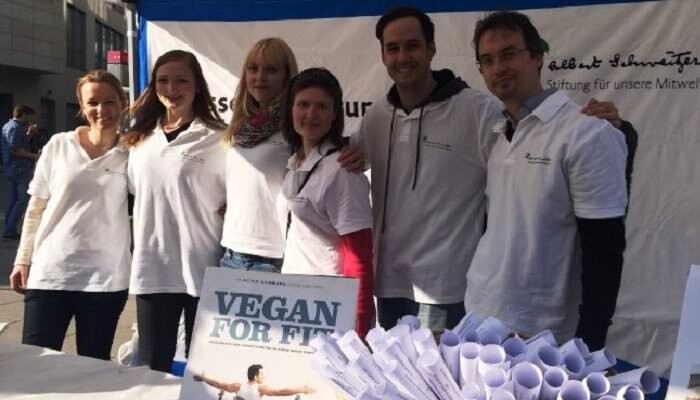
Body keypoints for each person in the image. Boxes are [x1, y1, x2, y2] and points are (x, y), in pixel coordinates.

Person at [346, 5, 635, 334]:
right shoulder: (378, 116)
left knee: (436, 366)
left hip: (450, 296)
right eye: (392, 48)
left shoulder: (481, 112)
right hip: (409, 289)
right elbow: (343, 153)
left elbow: (604, 243)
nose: (402, 57)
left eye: (412, 45)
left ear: (431, 48)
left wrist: (620, 130)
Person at [465, 10, 628, 350]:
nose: (499, 67)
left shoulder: (586, 133)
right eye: (488, 60)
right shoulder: (499, 134)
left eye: (509, 54)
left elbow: (605, 250)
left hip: (541, 332)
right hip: (479, 313)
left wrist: (588, 345)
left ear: (537, 56)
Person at [8, 70, 130, 360]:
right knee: (35, 366)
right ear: (82, 106)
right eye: (93, 102)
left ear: (123, 104)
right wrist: (23, 259)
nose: (102, 110)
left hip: (105, 278)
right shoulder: (59, 145)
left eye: (110, 102)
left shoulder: (132, 152)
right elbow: (36, 207)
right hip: (51, 272)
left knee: (92, 368)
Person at [123, 49, 227, 372]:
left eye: (181, 80)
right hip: (153, 268)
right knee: (152, 370)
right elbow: (134, 192)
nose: (172, 88)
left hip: (203, 268)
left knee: (204, 374)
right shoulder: (139, 139)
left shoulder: (220, 138)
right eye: (163, 80)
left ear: (197, 86)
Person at [281, 68, 375, 338]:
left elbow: (359, 256)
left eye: (322, 106)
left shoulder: (342, 170)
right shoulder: (296, 161)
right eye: (303, 104)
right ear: (291, 109)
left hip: (328, 305)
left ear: (335, 114)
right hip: (295, 297)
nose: (311, 114)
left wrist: (359, 326)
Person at [220, 37, 298, 272]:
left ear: (286, 76)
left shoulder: (295, 127)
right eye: (253, 69)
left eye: (271, 70)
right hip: (230, 252)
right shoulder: (240, 126)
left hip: (272, 258)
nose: (260, 77)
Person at [1, 105, 40, 240]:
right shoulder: (16, 128)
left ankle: (9, 228)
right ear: (23, 114)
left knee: (14, 199)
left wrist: (29, 135)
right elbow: (16, 150)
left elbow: (18, 145)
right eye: (28, 116)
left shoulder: (8, 126)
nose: (29, 119)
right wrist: (35, 156)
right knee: (21, 200)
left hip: (11, 168)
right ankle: (10, 230)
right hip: (19, 168)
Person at [194, 364, 315, 399]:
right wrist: (302, 389)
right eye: (262, 374)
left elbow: (218, 384)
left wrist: (204, 379)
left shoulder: (238, 386)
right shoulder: (260, 388)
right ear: (256, 376)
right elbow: (281, 392)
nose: (264, 376)